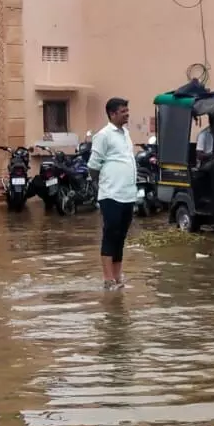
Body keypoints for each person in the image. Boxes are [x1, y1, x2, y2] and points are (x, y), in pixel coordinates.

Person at [88, 97, 137, 291]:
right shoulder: (103, 135)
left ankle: (118, 277)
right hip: (111, 195)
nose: (127, 114)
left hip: (128, 195)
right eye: (123, 111)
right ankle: (108, 279)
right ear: (112, 114)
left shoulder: (125, 133)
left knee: (121, 237)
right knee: (110, 234)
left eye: (127, 110)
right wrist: (101, 184)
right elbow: (93, 165)